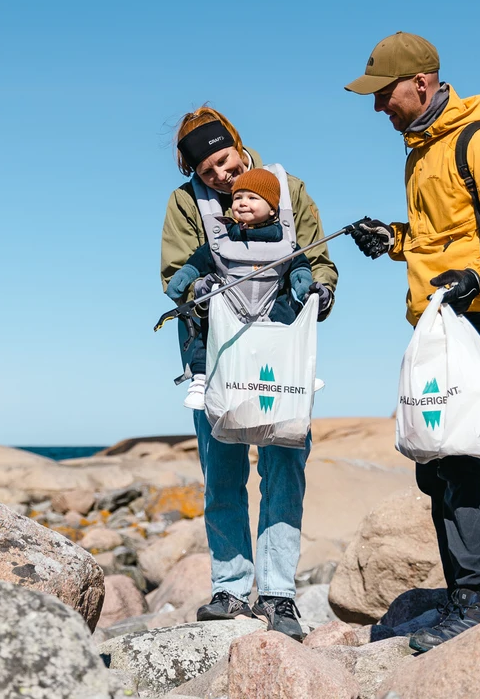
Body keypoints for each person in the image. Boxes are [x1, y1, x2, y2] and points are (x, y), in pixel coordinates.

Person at [344, 32, 480, 652]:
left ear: (421, 83)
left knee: (459, 455)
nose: (379, 106)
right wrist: (393, 239)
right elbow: (441, 236)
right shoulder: (420, 153)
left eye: (385, 94)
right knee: (434, 462)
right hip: (442, 321)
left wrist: (477, 276)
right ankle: (463, 598)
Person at [159, 106, 338, 640]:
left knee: (284, 468)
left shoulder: (290, 189)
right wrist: (193, 287)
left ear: (237, 144)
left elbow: (320, 260)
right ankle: (230, 589)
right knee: (223, 474)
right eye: (207, 170)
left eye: (225, 160)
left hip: (280, 355)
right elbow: (173, 272)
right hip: (216, 356)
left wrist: (322, 290)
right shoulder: (185, 203)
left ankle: (279, 594)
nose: (221, 175)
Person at [164, 167, 321, 410]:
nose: (242, 203)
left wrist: (304, 284)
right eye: (237, 197)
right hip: (231, 305)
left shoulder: (285, 241)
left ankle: (298, 375)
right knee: (208, 332)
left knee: (288, 328)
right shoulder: (224, 237)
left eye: (252, 197)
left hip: (271, 303)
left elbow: (299, 264)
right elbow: (200, 260)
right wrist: (185, 277)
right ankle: (200, 381)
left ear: (272, 208)